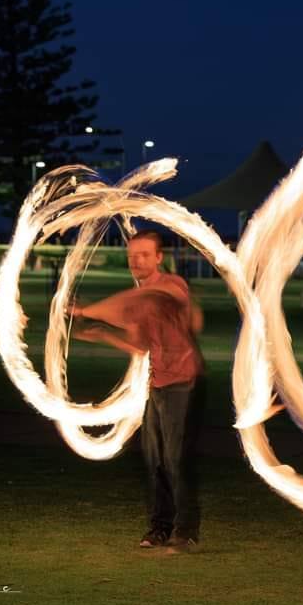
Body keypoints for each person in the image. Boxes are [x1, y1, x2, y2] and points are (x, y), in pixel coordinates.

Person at [71, 229, 205, 552]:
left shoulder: (171, 286)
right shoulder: (142, 295)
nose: (136, 261)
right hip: (157, 385)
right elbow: (140, 344)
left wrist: (89, 311)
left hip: (183, 384)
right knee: (155, 459)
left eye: (144, 255)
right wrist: (103, 335)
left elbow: (141, 302)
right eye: (132, 256)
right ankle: (159, 528)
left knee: (175, 458)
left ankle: (186, 531)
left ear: (159, 258)